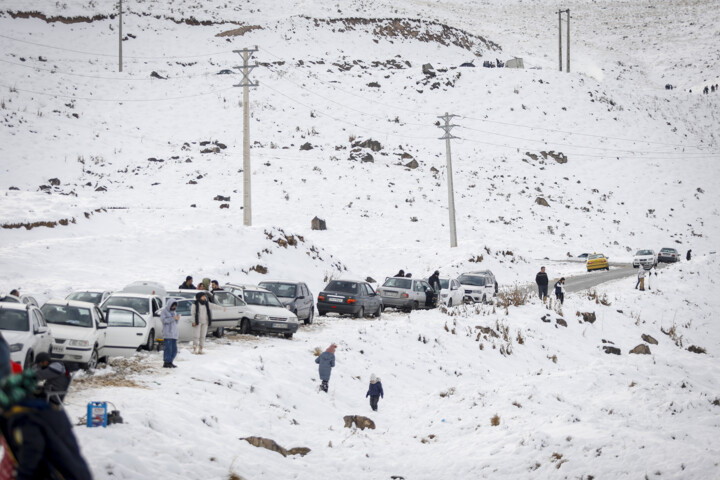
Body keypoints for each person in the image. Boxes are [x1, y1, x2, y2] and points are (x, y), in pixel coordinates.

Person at [161, 299, 180, 368]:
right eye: (172, 306)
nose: (173, 307)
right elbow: (164, 320)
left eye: (175, 306)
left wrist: (177, 318)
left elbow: (175, 322)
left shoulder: (174, 312)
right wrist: (172, 318)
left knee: (174, 349)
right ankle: (166, 362)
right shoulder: (164, 311)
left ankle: (170, 361)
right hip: (167, 333)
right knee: (168, 348)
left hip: (174, 333)